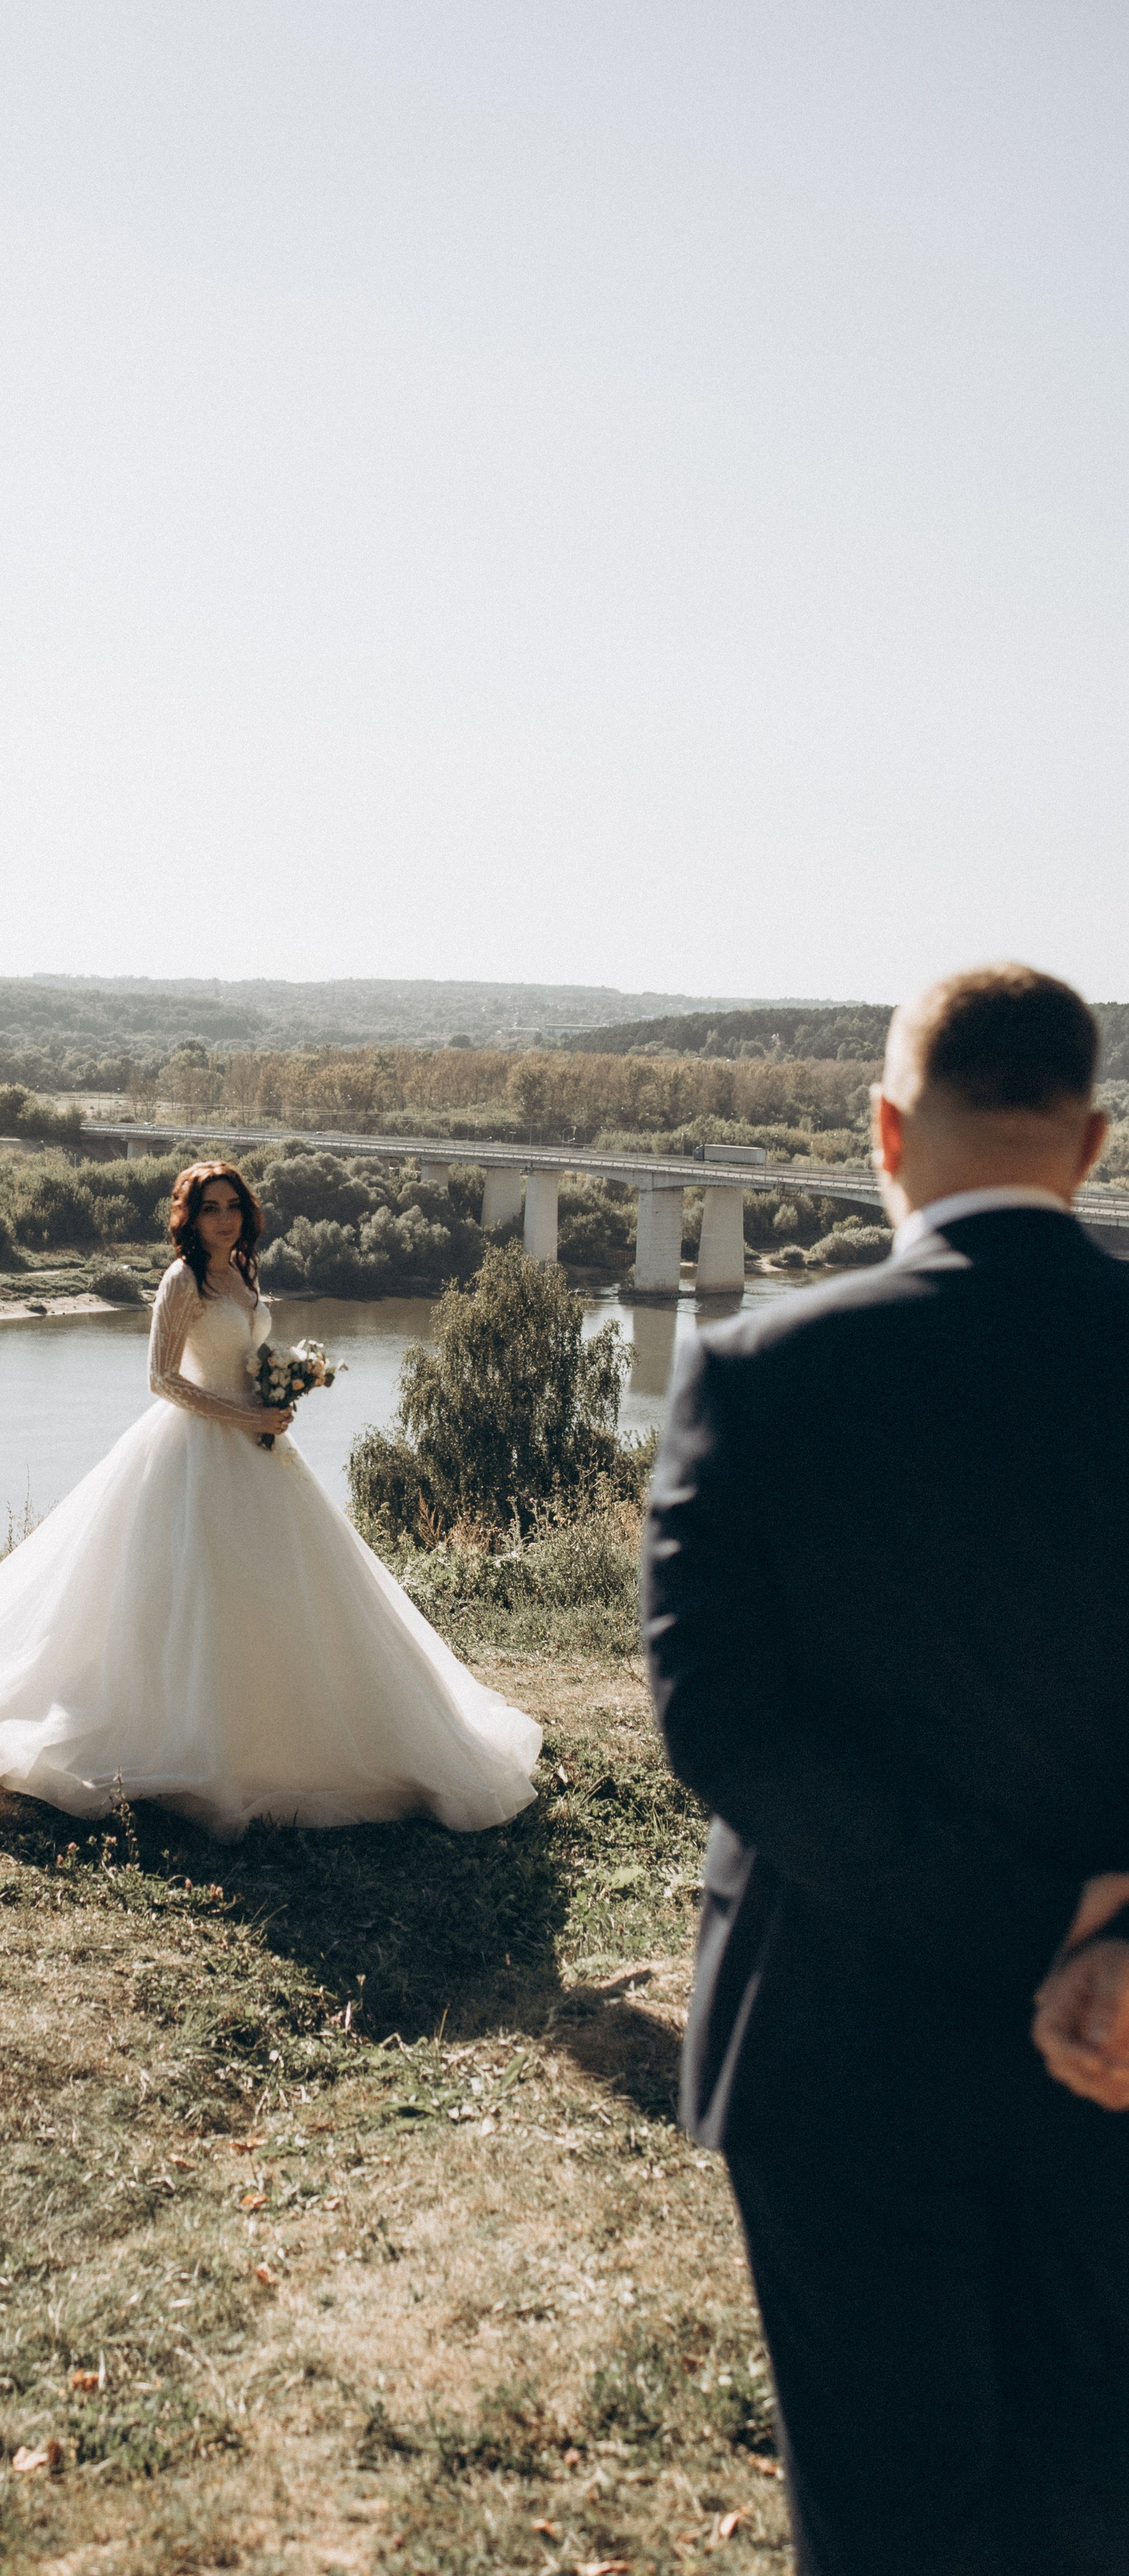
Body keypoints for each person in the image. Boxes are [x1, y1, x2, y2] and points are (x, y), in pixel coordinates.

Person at [642, 963, 1129, 2576]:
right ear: (1090, 1141)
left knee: (882, 2518)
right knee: (1089, 2490)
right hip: (1121, 2048)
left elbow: (719, 1718)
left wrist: (1022, 1921)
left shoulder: (756, 1373)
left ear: (880, 1132)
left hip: (833, 2043)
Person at [0, 1160, 541, 1838]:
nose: (223, 1219)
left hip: (258, 1449)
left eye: (233, 1207)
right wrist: (241, 1410)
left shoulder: (244, 1274)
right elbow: (161, 1380)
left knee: (278, 1593)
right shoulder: (182, 1285)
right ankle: (190, 1735)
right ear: (187, 1217)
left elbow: (246, 1350)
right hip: (194, 1448)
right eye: (209, 1208)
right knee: (181, 1593)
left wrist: (281, 1390)